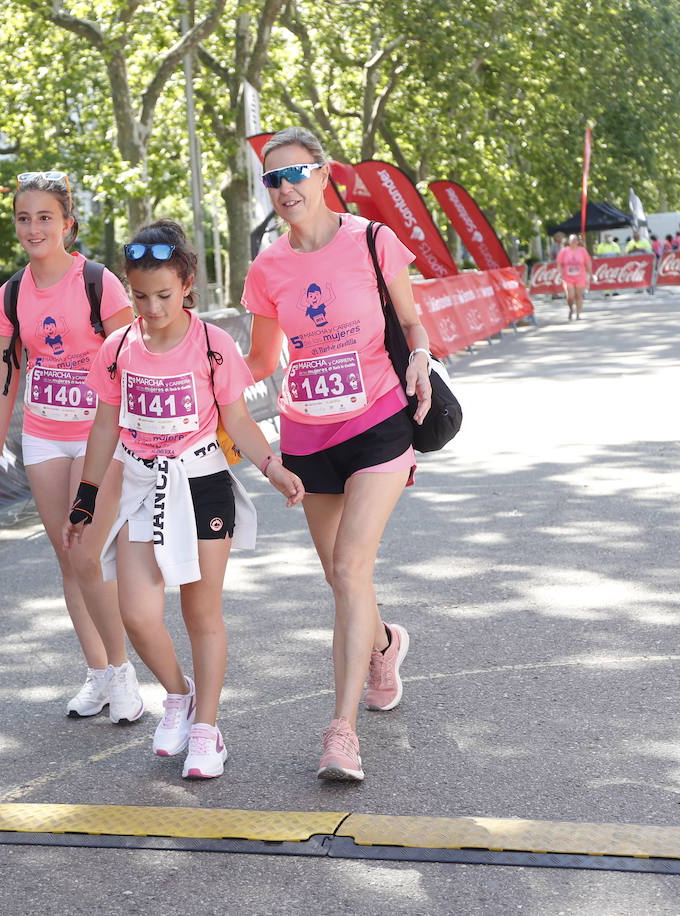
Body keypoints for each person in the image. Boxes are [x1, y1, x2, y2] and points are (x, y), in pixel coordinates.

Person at [63, 220, 305, 779]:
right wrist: (87, 497)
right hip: (142, 486)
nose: (152, 308)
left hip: (201, 484)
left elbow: (237, 418)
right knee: (137, 613)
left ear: (188, 284)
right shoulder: (117, 349)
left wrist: (272, 466)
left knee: (201, 610)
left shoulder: (214, 345)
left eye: (164, 295)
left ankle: (206, 729)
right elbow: (104, 427)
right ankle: (178, 696)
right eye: (141, 296)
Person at [240, 127, 433, 781]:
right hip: (306, 435)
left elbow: (411, 322)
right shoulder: (267, 268)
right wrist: (197, 367)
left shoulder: (372, 240)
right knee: (339, 578)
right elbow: (263, 361)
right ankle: (382, 643)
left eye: (297, 174)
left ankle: (341, 734)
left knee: (351, 569)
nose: (286, 188)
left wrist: (423, 361)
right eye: (273, 179)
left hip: (379, 422)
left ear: (324, 175)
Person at [0, 171, 143, 721]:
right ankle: (98, 673)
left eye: (45, 217)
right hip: (43, 435)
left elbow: (134, 360)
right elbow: (4, 379)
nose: (33, 228)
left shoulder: (99, 283)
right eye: (24, 218)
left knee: (89, 553)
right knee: (69, 561)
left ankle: (122, 672)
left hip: (100, 437)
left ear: (68, 224)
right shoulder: (11, 294)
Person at [556, 234, 592, 320]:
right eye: (572, 240)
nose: (573, 242)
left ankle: (578, 313)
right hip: (568, 277)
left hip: (580, 276)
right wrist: (560, 273)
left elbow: (588, 262)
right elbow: (559, 263)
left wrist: (590, 273)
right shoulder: (564, 251)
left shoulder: (582, 251)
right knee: (570, 296)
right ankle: (571, 309)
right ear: (569, 241)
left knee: (579, 296)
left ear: (578, 242)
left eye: (575, 240)